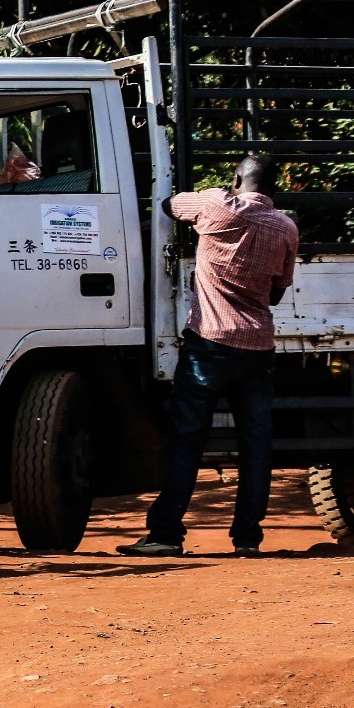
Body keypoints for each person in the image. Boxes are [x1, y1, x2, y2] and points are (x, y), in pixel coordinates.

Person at [117, 155, 299, 558]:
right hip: (257, 347)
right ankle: (248, 539)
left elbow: (167, 206)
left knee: (186, 440)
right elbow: (276, 293)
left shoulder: (214, 206)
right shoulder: (286, 228)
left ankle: (166, 535)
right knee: (255, 444)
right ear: (274, 187)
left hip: (209, 344)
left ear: (236, 179)